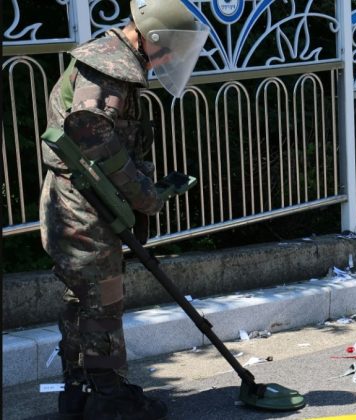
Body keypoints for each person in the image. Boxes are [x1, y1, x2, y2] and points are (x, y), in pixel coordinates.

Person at [39, 0, 208, 418]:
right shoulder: (109, 68)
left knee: (83, 300)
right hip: (83, 205)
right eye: (168, 49)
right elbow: (88, 130)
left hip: (83, 200)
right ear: (149, 38)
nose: (168, 60)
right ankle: (109, 399)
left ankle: (78, 392)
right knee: (102, 300)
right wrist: (143, 195)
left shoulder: (113, 63)